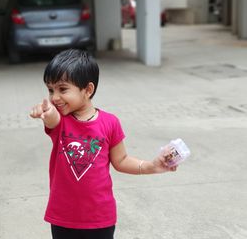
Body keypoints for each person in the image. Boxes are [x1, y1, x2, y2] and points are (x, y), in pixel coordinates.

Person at [30, 49, 177, 239]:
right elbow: (51, 119)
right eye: (50, 90)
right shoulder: (61, 122)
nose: (54, 97)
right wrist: (47, 112)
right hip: (63, 217)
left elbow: (121, 160)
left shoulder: (110, 123)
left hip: (100, 217)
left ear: (88, 90)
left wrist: (152, 166)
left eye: (62, 89)